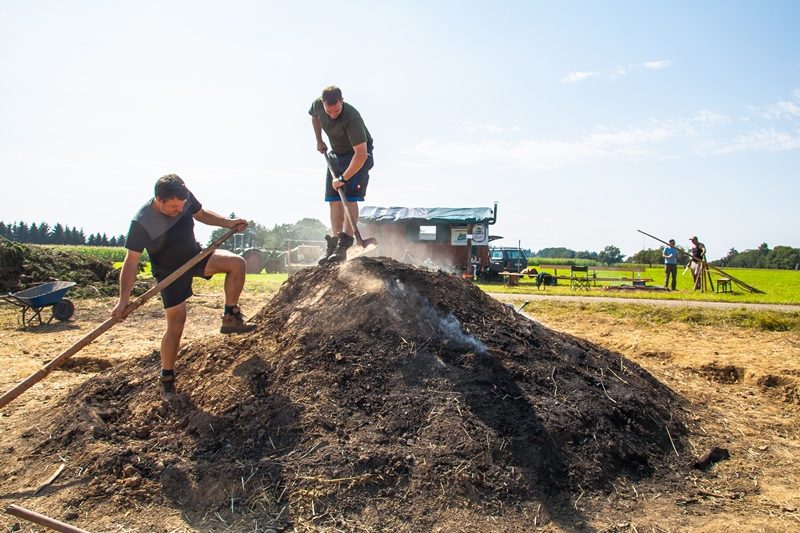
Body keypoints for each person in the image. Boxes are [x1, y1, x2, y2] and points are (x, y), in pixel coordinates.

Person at [112, 174, 256, 399]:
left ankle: (231, 317)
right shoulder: (142, 222)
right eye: (173, 207)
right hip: (169, 272)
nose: (179, 211)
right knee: (177, 324)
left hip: (195, 256)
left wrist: (228, 223)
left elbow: (201, 214)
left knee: (237, 263)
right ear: (158, 199)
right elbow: (131, 262)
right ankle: (167, 379)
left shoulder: (185, 198)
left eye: (181, 206)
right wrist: (123, 300)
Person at [309, 86, 374, 264]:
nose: (332, 115)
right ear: (323, 104)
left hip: (357, 155)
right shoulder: (318, 106)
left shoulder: (352, 118)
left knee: (349, 197)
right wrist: (319, 139)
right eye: (328, 111)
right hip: (336, 154)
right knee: (334, 199)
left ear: (342, 101)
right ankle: (335, 242)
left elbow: (361, 154)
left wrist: (343, 178)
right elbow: (314, 116)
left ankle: (346, 243)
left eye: (336, 110)